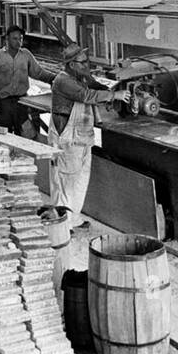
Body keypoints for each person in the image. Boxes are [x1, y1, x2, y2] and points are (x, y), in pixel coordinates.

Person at [48, 43, 130, 222]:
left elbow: (95, 86)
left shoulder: (81, 77)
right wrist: (114, 96)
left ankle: (72, 221)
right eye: (82, 62)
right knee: (65, 181)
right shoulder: (63, 81)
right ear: (71, 65)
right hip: (67, 139)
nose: (87, 65)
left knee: (79, 180)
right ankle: (61, 225)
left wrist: (111, 90)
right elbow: (86, 96)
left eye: (87, 61)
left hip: (82, 137)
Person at [0, 25, 55, 138]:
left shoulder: (26, 55)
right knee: (4, 135)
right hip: (4, 103)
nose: (19, 42)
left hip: (22, 101)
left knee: (24, 134)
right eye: (15, 39)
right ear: (7, 39)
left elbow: (38, 72)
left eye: (21, 38)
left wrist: (54, 78)